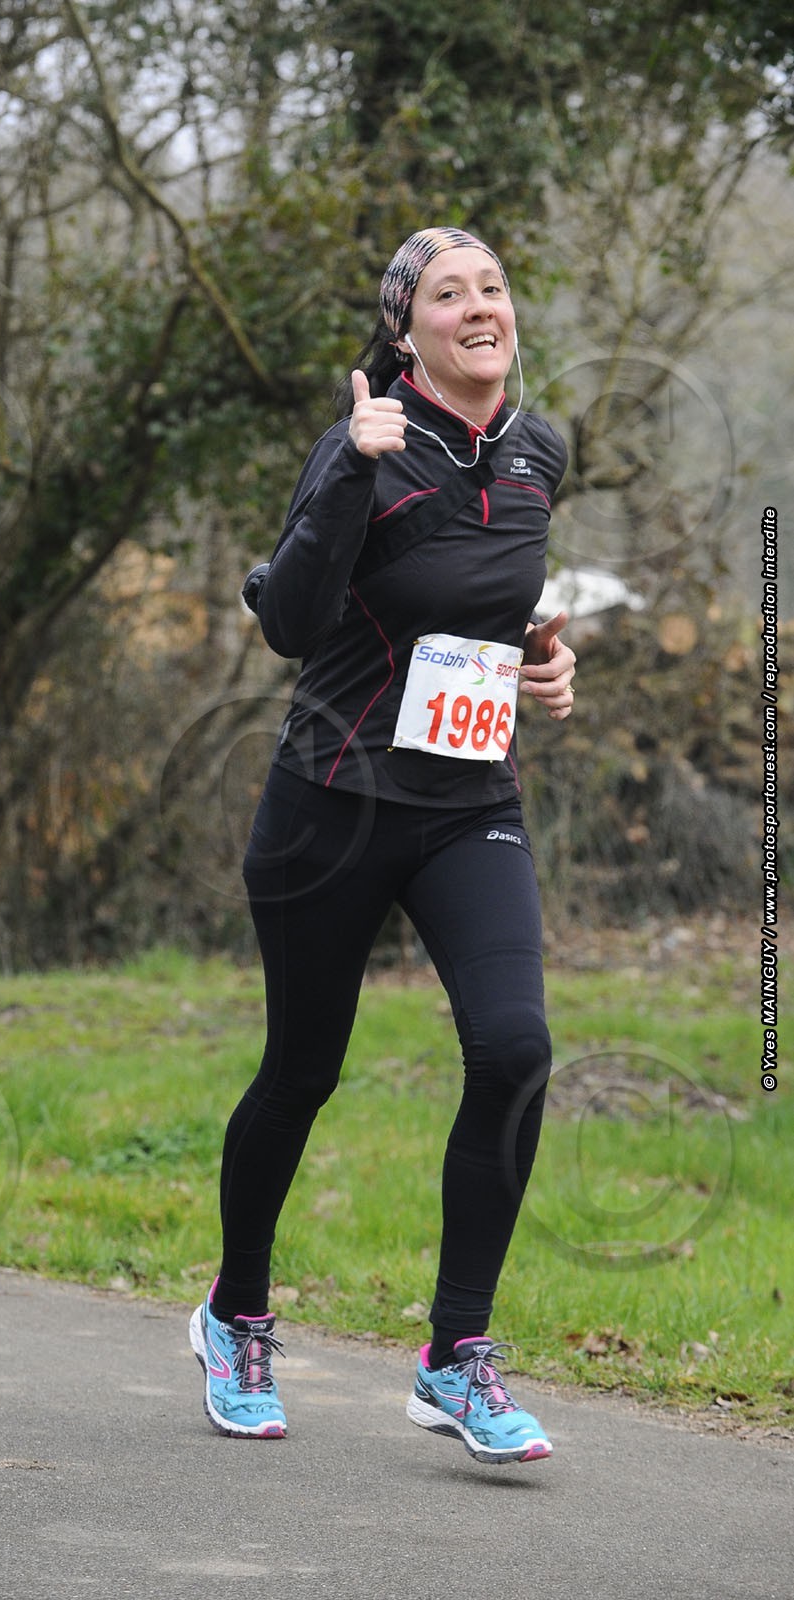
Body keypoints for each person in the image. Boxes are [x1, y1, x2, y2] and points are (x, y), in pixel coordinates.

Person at [189, 226, 576, 1464]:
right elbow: (294, 622)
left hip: (468, 804)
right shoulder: (362, 441)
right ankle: (235, 1315)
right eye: (448, 294)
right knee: (302, 1071)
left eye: (493, 287)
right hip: (333, 803)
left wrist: (545, 656)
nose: (480, 306)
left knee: (516, 1050)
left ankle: (456, 1355)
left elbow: (483, 600)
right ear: (406, 332)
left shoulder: (540, 448)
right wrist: (353, 472)